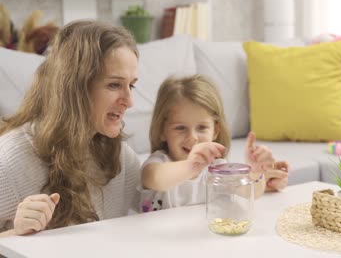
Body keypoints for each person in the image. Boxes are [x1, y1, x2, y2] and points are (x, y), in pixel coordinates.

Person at [0, 20, 141, 237]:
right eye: (114, 85)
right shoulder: (12, 158)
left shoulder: (122, 158)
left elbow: (156, 206)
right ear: (75, 88)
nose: (129, 101)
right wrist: (16, 235)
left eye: (131, 85)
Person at [140, 75, 289, 211]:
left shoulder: (218, 168)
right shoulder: (156, 164)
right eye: (180, 128)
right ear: (162, 130)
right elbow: (155, 178)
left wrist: (255, 172)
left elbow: (251, 192)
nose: (192, 137)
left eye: (202, 127)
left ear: (215, 130)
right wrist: (191, 166)